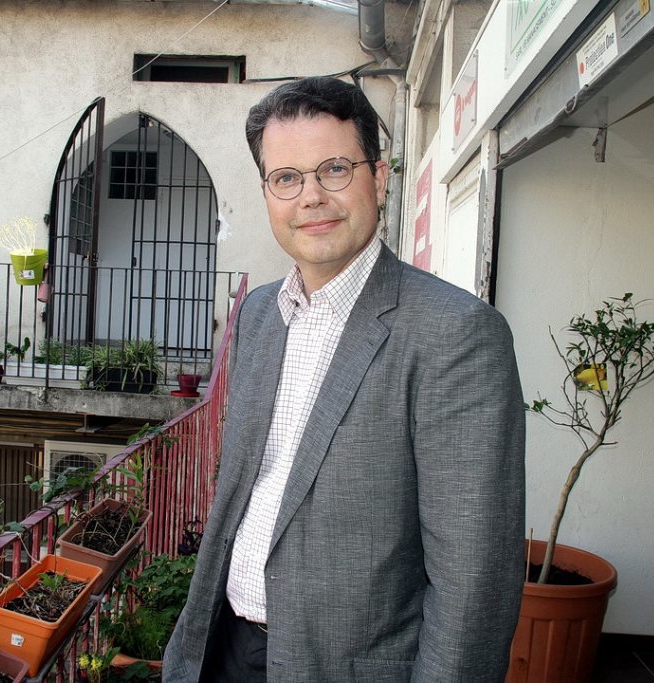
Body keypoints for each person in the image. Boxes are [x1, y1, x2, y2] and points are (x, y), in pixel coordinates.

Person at [163, 76, 525, 683]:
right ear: (267, 192)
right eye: (287, 178)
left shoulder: (455, 334)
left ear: (380, 179)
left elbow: (475, 578)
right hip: (223, 649)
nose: (311, 197)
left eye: (334, 169)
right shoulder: (258, 314)